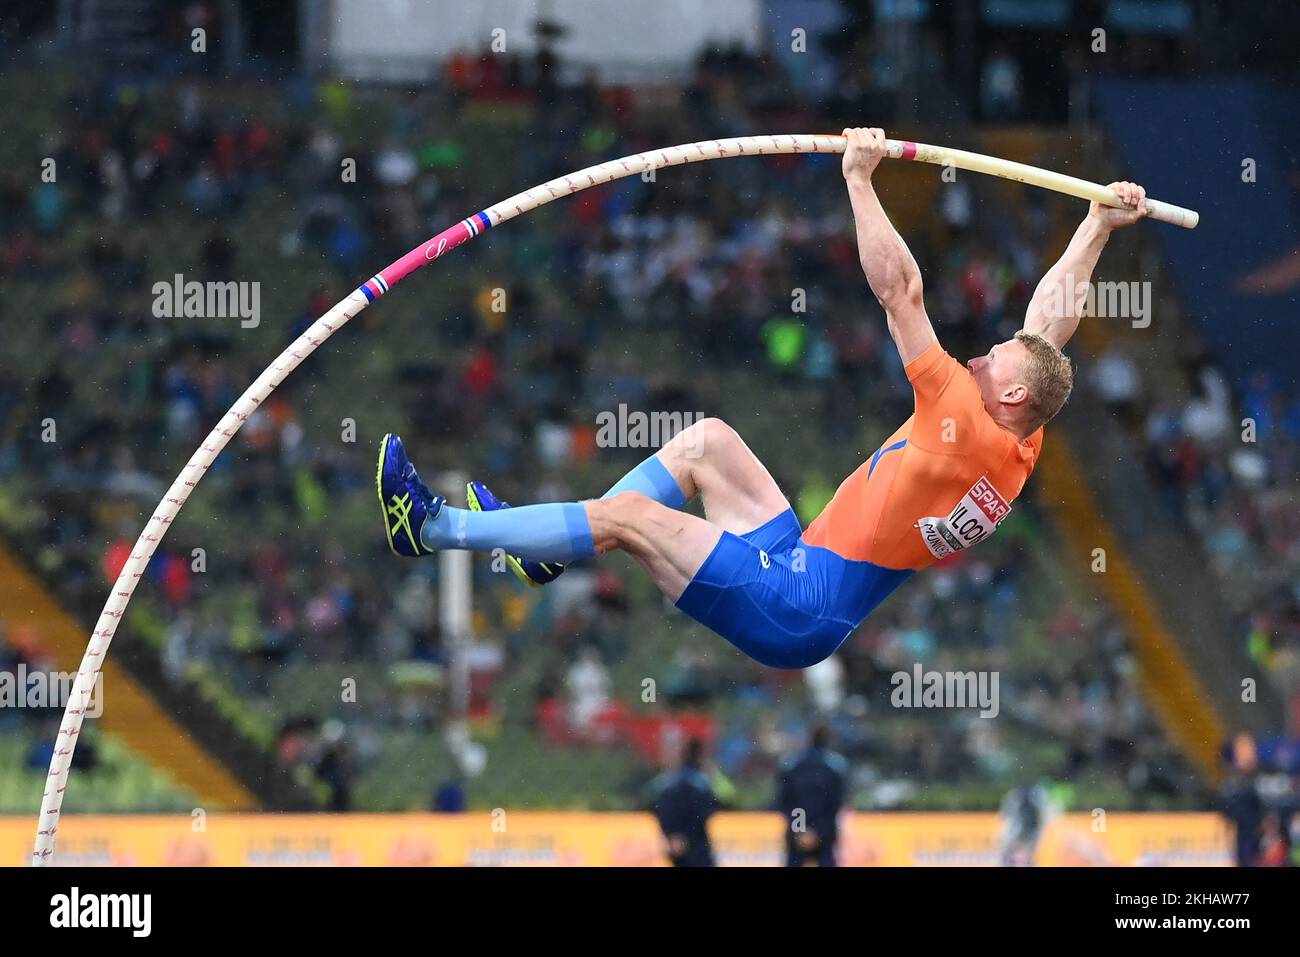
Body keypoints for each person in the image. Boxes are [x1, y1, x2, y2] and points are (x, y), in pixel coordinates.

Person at [376, 127, 1150, 670]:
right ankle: (543, 558)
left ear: (1008, 391)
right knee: (706, 442)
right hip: (802, 562)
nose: (978, 355)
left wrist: (858, 177)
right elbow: (1051, 321)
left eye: (991, 360)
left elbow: (900, 289)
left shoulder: (959, 415)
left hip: (797, 605)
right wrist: (1095, 227)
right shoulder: (1021, 438)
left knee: (634, 519)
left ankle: (434, 528)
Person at [777, 724, 848, 867]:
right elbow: (835, 804)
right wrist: (818, 832)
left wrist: (800, 830)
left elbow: (787, 802)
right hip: (825, 835)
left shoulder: (791, 765)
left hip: (797, 834)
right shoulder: (836, 766)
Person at [647, 738, 720, 867]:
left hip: (694, 847)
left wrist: (677, 835)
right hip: (690, 847)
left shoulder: (696, 781)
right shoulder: (669, 783)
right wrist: (673, 835)